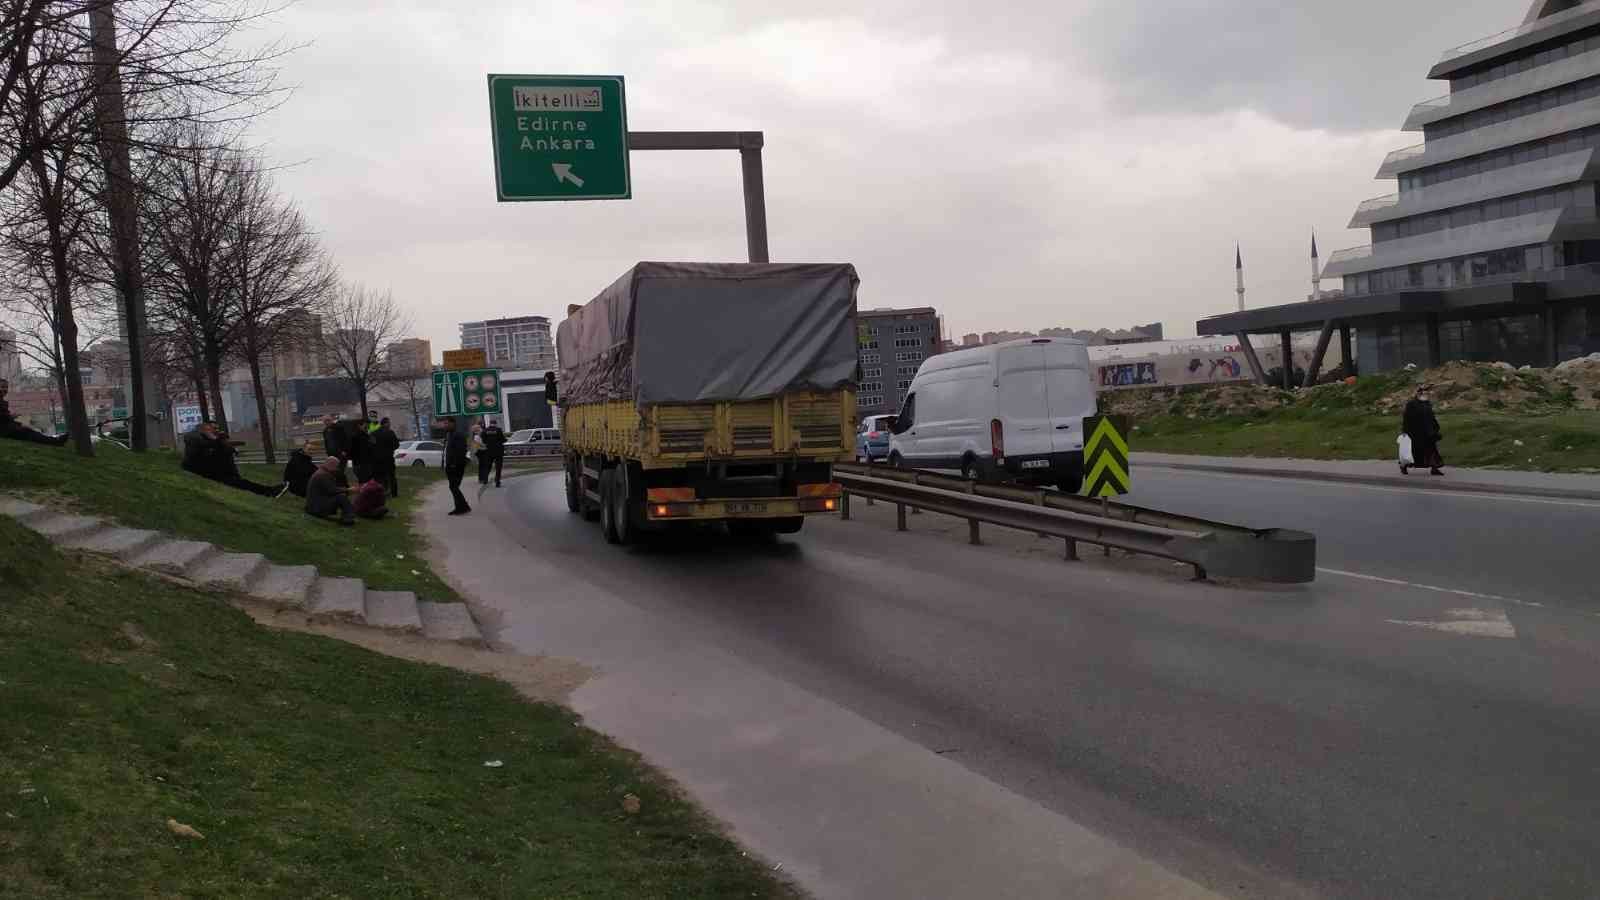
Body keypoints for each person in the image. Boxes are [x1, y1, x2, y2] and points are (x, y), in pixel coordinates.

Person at [181, 422, 283, 496]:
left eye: (217, 428)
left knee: (242, 482)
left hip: (212, 471)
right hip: (203, 471)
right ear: (204, 429)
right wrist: (216, 440)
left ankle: (270, 491)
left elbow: (217, 450)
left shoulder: (211, 441)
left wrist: (225, 445)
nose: (216, 431)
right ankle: (270, 492)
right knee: (243, 483)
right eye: (213, 428)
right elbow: (202, 447)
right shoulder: (194, 436)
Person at [0, 378, 69, 447]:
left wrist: (18, 424)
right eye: (2, 387)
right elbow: (4, 419)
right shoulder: (1, 402)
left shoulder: (2, 401)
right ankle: (56, 441)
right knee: (28, 432)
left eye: (6, 387)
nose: (5, 389)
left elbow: (5, 418)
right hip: (4, 431)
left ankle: (55, 440)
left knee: (29, 431)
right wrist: (13, 418)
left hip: (6, 429)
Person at [1401, 385, 1444, 476]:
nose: (1425, 394)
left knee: (1432, 449)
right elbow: (1406, 418)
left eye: (1425, 392)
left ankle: (1434, 468)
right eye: (1422, 392)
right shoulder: (1411, 404)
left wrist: (1436, 427)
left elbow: (1431, 416)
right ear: (1418, 393)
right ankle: (1404, 465)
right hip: (1416, 432)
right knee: (1414, 451)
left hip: (1429, 431)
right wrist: (1405, 430)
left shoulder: (1427, 403)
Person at [305, 456, 356, 525]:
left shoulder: (322, 472)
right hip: (316, 508)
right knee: (341, 497)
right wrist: (348, 490)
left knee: (340, 496)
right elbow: (332, 490)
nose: (337, 468)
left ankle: (347, 516)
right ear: (331, 465)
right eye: (336, 466)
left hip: (314, 506)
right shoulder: (323, 475)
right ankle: (348, 518)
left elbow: (330, 489)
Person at [442, 416, 471, 515]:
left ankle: (463, 507)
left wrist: (454, 464)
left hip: (456, 466)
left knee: (454, 487)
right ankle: (461, 507)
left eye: (446, 423)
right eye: (444, 423)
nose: (444, 425)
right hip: (450, 465)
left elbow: (461, 451)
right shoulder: (449, 434)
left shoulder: (458, 435)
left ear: (452, 423)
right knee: (453, 487)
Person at [371, 417, 401, 498]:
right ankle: (394, 494)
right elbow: (397, 445)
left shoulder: (374, 433)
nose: (390, 424)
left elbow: (371, 445)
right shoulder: (390, 433)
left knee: (380, 477)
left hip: (378, 459)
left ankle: (381, 493)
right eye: (389, 423)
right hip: (388, 458)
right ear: (386, 423)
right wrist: (390, 448)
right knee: (391, 476)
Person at [478, 419, 508, 488]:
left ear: (490, 423)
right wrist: (505, 440)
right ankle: (497, 482)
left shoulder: (485, 430)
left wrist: (488, 443)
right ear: (495, 423)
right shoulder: (498, 430)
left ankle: (485, 480)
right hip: (498, 451)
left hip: (488, 451)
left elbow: (483, 439)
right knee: (498, 467)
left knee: (488, 466)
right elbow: (503, 439)